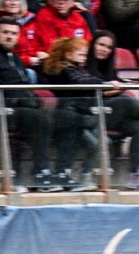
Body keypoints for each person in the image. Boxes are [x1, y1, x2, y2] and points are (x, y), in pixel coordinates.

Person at [0, 17, 60, 191]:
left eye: (13, 33)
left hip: (21, 109)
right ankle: (40, 173)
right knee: (39, 118)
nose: (9, 37)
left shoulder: (17, 59)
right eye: (5, 32)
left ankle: (48, 173)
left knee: (53, 117)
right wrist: (14, 100)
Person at [42, 37, 102, 189]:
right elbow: (81, 82)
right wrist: (105, 85)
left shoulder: (78, 70)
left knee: (100, 142)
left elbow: (89, 79)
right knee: (91, 140)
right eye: (81, 54)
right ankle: (67, 174)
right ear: (68, 55)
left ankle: (77, 175)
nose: (84, 58)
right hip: (65, 115)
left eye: (85, 54)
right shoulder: (62, 69)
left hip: (78, 115)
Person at [87, 29, 139, 188]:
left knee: (137, 126)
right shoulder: (82, 62)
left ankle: (135, 174)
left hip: (111, 115)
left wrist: (116, 89)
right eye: (101, 44)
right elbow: (87, 88)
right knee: (127, 101)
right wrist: (113, 89)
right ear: (92, 44)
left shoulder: (108, 69)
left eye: (109, 47)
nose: (104, 50)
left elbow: (111, 90)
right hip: (90, 114)